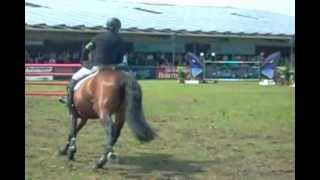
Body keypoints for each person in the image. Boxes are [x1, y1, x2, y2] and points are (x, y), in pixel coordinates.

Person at [59, 17, 127, 112]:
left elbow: (86, 49)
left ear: (107, 26)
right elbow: (120, 58)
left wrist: (83, 61)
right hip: (112, 68)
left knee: (74, 79)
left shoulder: (97, 37)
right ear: (117, 28)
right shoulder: (121, 40)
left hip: (95, 67)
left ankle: (69, 100)